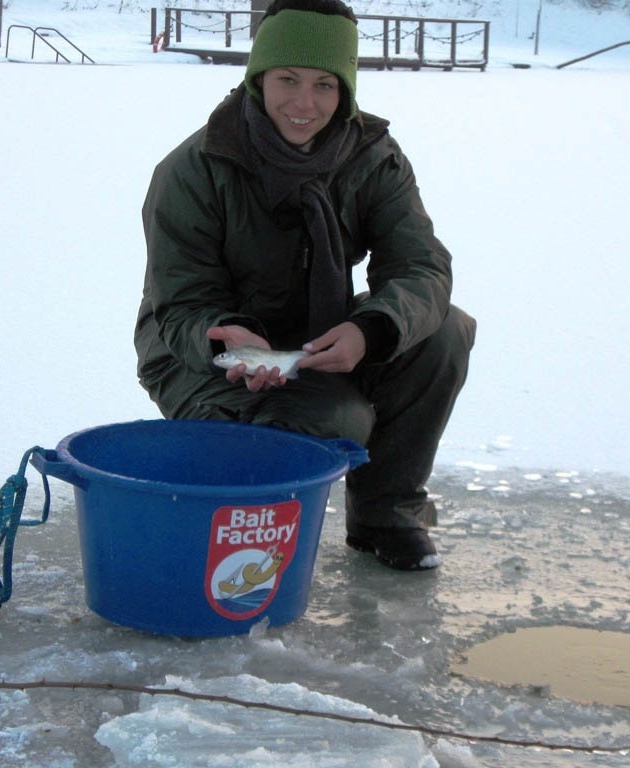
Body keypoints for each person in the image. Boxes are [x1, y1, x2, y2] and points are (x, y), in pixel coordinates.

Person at [134, 0, 476, 571]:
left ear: (345, 91)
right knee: (332, 421)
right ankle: (239, 537)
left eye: (325, 84)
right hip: (196, 351)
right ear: (258, 78)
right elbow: (182, 303)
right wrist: (226, 341)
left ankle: (384, 513)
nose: (304, 103)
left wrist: (371, 329)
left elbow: (421, 268)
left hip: (317, 341)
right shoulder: (193, 169)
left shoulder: (372, 157)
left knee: (443, 331)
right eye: (287, 79)